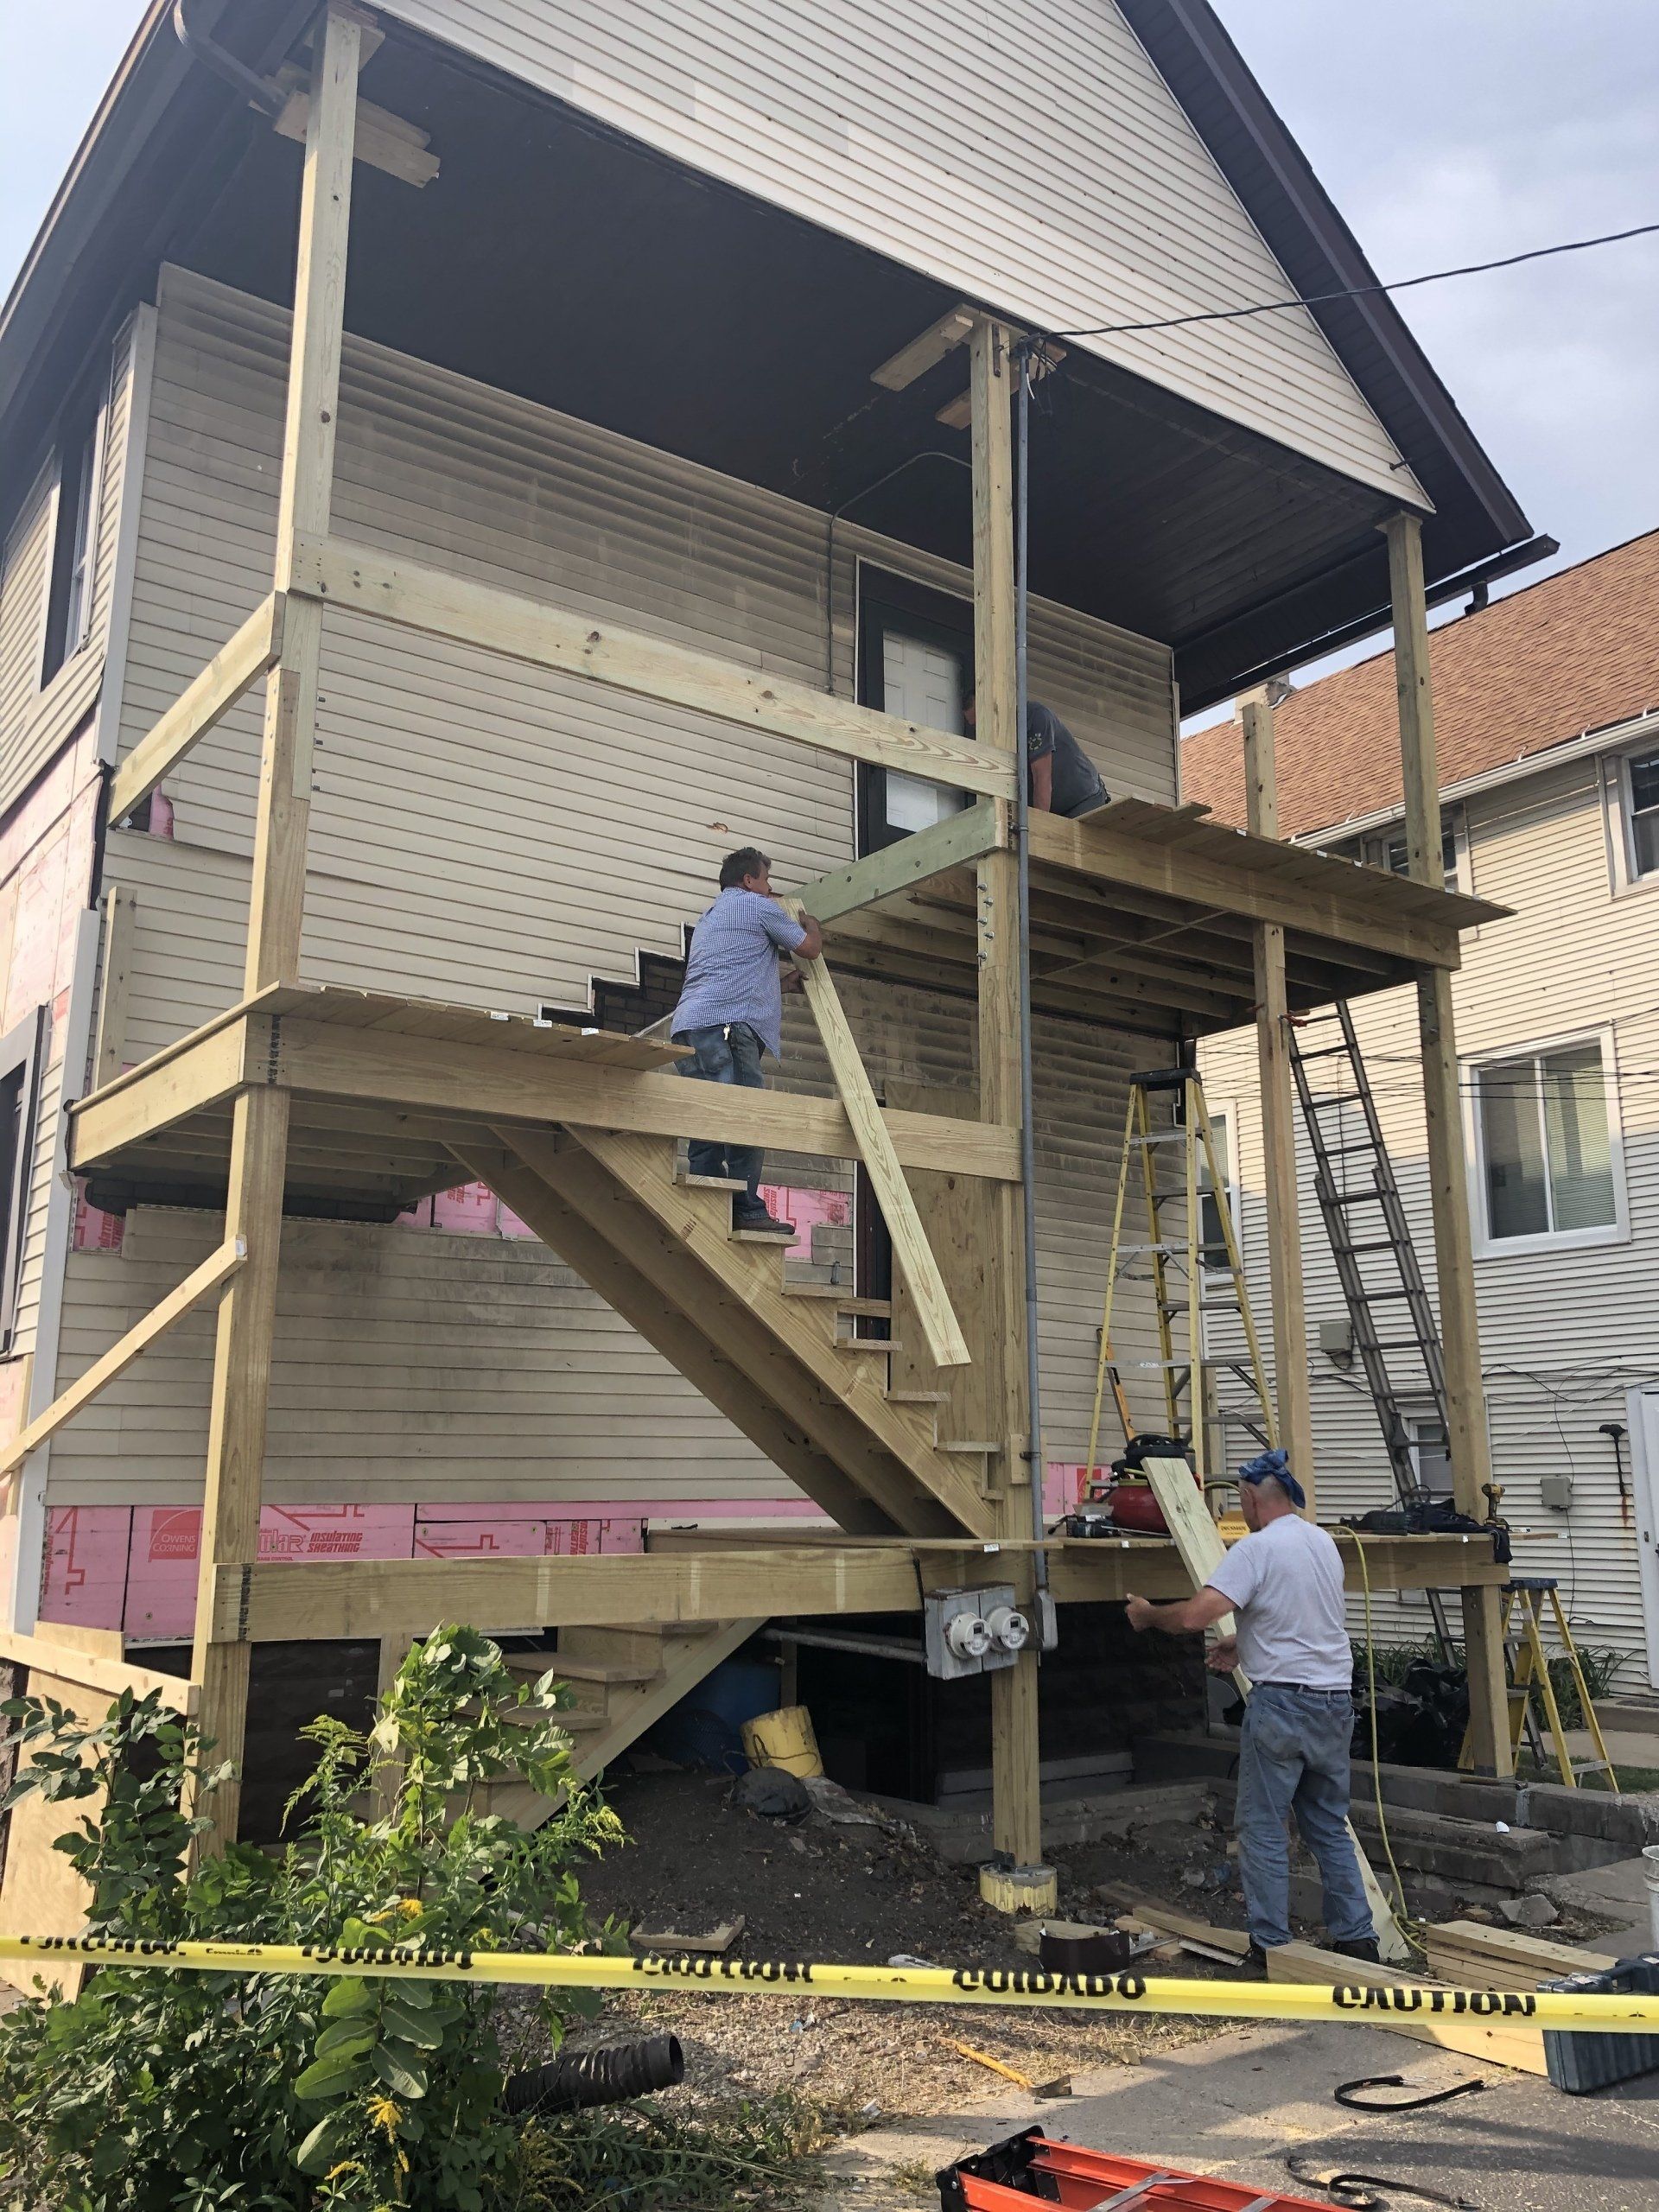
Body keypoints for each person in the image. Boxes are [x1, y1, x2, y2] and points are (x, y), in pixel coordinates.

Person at [1123, 1447, 1379, 1970]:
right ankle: (1358, 1941)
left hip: (1283, 1705)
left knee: (1263, 1827)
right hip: (1333, 1703)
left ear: (1249, 1498)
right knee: (1328, 1825)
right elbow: (1301, 1616)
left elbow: (1195, 1616)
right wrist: (1244, 1643)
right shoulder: (1322, 1543)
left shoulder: (1255, 1549)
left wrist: (1148, 1616)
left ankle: (1269, 1947)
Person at [669, 848, 823, 1236]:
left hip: (690, 1027)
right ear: (749, 881)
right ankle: (747, 1209)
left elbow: (732, 971)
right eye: (766, 880)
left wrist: (780, 986)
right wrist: (812, 923)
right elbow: (809, 948)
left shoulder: (710, 918)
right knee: (746, 1118)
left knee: (707, 1117)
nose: (770, 888)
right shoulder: (758, 907)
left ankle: (706, 1202)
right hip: (727, 1029)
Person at [963, 690, 1108, 818]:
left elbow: (1042, 778)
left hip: (1085, 800)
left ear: (996, 708)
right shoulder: (997, 742)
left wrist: (1039, 827)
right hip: (1056, 811)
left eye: (982, 721)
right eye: (975, 726)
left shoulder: (1034, 717)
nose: (980, 729)